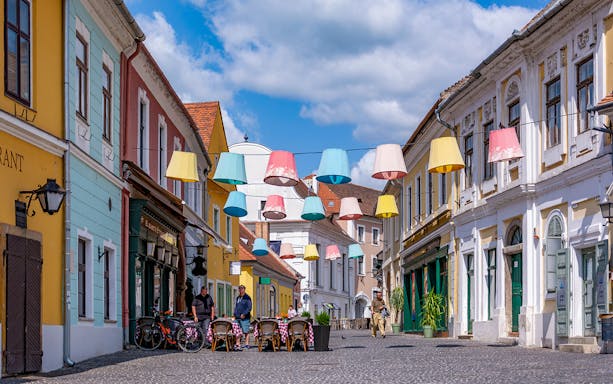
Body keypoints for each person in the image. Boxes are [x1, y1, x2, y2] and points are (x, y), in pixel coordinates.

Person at [233, 285, 252, 351]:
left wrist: (244, 314)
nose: (240, 290)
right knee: (237, 331)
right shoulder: (238, 298)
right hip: (237, 317)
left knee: (245, 331)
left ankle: (247, 344)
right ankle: (238, 344)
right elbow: (236, 306)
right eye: (239, 289)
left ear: (244, 289)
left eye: (242, 289)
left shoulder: (247, 298)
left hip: (245, 317)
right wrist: (234, 313)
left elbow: (249, 307)